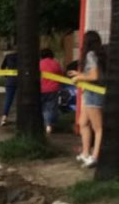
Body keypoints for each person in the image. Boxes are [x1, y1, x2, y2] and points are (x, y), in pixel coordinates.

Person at [69, 31, 107, 168]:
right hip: (90, 92)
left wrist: (79, 77)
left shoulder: (90, 54)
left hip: (93, 93)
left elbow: (94, 76)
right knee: (83, 122)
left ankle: (95, 156)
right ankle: (85, 153)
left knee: (98, 127)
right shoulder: (95, 54)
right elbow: (93, 73)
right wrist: (79, 74)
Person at [39, 48, 64, 134]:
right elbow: (61, 74)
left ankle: (43, 123)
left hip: (41, 89)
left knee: (42, 107)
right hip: (53, 89)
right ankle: (49, 126)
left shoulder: (40, 63)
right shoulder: (55, 63)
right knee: (50, 108)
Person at [0, 48, 18, 126]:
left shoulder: (8, 56)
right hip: (21, 81)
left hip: (10, 81)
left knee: (8, 100)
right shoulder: (24, 57)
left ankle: (4, 118)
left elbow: (2, 68)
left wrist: (6, 76)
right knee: (20, 101)